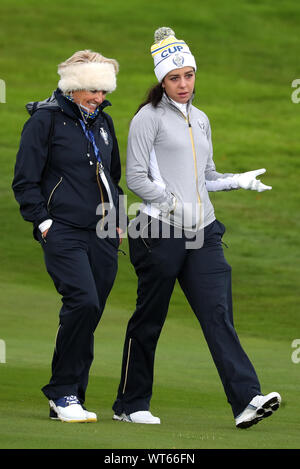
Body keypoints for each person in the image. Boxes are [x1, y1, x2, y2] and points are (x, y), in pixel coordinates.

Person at [112, 28, 281, 428]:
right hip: (159, 233)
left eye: (188, 75)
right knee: (149, 318)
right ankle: (130, 404)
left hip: (202, 232)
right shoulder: (147, 119)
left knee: (217, 312)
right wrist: (174, 204)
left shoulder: (201, 119)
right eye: (175, 78)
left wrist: (236, 180)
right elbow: (135, 177)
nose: (183, 84)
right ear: (161, 79)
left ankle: (246, 400)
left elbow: (203, 175)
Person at [12, 49, 126, 423]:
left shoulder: (104, 122)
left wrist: (119, 222)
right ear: (73, 88)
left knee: (86, 316)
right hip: (63, 231)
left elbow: (114, 179)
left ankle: (71, 395)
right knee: (84, 303)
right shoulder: (44, 121)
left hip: (103, 234)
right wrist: (43, 223)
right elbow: (25, 181)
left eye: (102, 90)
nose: (98, 97)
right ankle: (62, 394)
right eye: (91, 89)